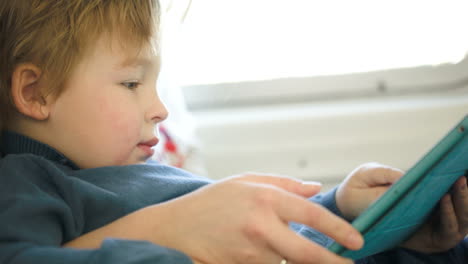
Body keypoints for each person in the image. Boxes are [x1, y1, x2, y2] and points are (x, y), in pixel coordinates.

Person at [0, 1, 466, 264]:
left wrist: (337, 207)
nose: (159, 110)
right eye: (130, 83)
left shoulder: (147, 174)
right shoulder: (24, 184)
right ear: (35, 92)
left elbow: (258, 234)